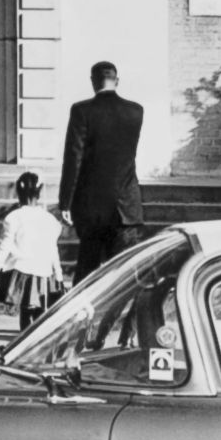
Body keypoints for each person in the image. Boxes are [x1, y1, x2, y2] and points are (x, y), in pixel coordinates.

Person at [58, 60, 144, 286]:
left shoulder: (81, 111)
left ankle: (81, 319)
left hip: (91, 207)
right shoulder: (135, 111)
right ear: (117, 81)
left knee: (87, 273)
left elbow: (73, 158)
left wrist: (65, 201)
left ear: (93, 82)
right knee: (125, 275)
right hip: (126, 205)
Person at [0, 171, 65, 330]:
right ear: (39, 193)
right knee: (40, 313)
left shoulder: (14, 217)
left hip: (23, 273)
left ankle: (24, 341)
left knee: (25, 313)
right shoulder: (50, 219)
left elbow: (5, 246)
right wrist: (58, 275)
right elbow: (53, 250)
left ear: (18, 193)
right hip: (43, 273)